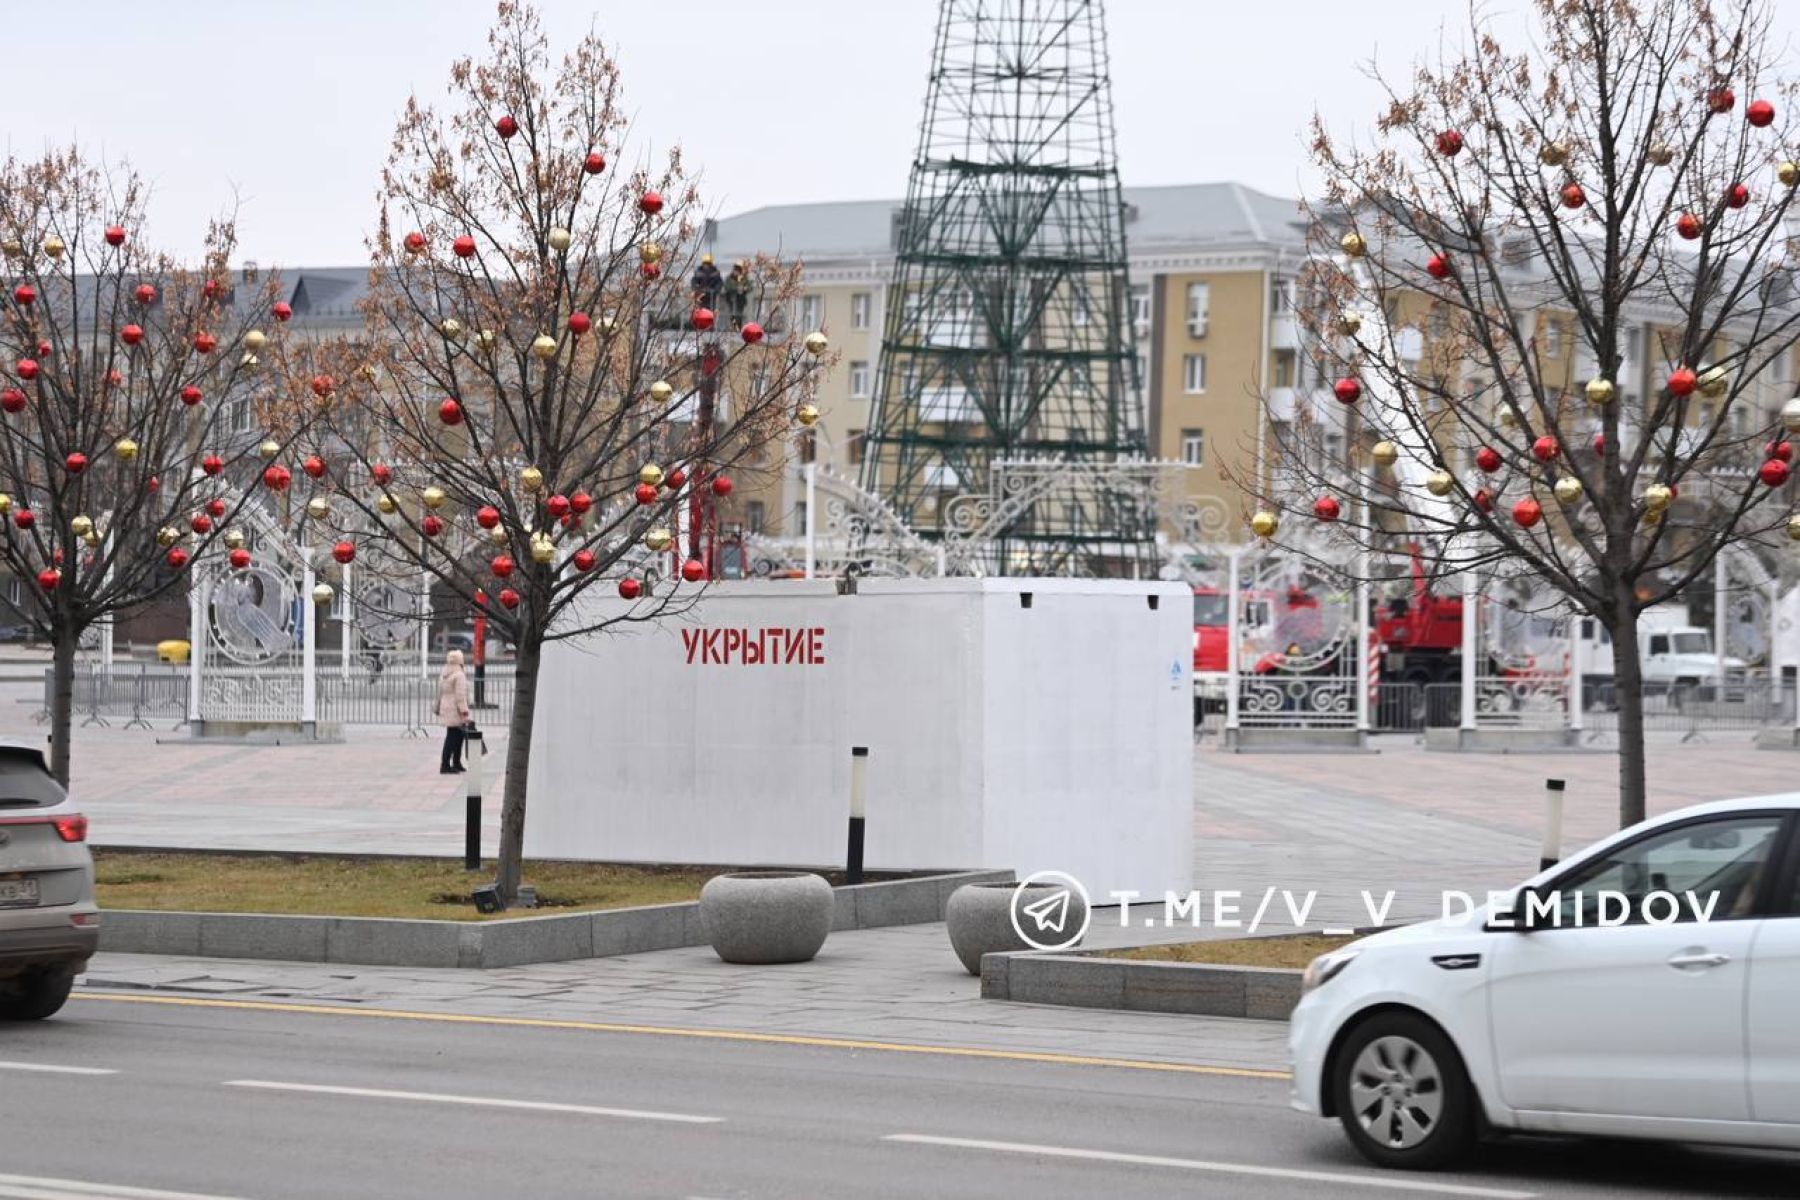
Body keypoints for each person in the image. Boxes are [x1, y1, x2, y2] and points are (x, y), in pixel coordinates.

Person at [437, 649, 471, 774]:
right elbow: (460, 696)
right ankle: (446, 764)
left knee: (456, 737)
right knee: (453, 738)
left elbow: (440, 692)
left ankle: (456, 762)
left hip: (447, 708)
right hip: (456, 710)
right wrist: (464, 711)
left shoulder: (445, 673)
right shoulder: (459, 675)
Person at [722, 260, 751, 329]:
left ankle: (738, 328)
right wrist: (737, 288)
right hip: (730, 299)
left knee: (739, 314)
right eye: (735, 270)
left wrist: (744, 288)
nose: (736, 272)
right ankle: (734, 327)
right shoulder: (729, 278)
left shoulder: (744, 278)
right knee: (732, 314)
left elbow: (749, 286)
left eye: (738, 271)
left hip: (740, 299)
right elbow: (727, 286)